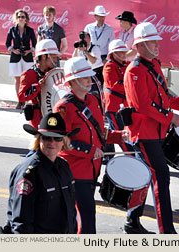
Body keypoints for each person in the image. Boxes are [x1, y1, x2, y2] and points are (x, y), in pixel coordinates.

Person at [123, 22, 179, 234]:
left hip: (155, 131)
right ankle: (166, 231)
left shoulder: (152, 65)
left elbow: (161, 96)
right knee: (161, 176)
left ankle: (132, 221)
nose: (157, 45)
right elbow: (143, 105)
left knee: (144, 177)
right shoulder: (134, 70)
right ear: (141, 44)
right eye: (153, 41)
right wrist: (170, 116)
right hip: (144, 133)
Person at [53, 57, 127, 234]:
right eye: (85, 77)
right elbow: (61, 142)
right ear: (72, 81)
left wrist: (119, 137)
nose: (90, 80)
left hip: (92, 170)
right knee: (86, 220)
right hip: (74, 172)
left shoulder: (93, 101)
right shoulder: (62, 108)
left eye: (89, 76)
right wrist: (90, 151)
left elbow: (98, 134)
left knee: (81, 219)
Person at [0, 112, 79, 234]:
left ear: (64, 141)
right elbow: (21, 223)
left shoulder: (64, 167)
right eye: (46, 137)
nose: (51, 142)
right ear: (39, 139)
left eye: (57, 138)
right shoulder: (29, 173)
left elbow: (70, 212)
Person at [103, 39, 134, 164]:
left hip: (124, 106)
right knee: (120, 133)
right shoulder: (109, 67)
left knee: (114, 131)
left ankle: (107, 155)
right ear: (113, 54)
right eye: (120, 52)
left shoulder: (126, 64)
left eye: (123, 52)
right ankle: (131, 157)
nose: (122, 54)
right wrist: (130, 85)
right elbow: (114, 85)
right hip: (113, 107)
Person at [18, 39, 60, 130]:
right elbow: (21, 96)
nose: (56, 60)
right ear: (44, 56)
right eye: (53, 57)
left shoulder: (54, 73)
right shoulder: (29, 74)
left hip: (53, 118)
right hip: (38, 121)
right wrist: (37, 86)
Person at [5, 9, 37, 110]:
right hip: (15, 57)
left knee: (28, 79)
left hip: (27, 58)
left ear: (26, 19)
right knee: (17, 79)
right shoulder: (12, 30)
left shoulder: (30, 30)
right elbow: (7, 44)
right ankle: (20, 100)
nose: (21, 19)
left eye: (23, 17)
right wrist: (13, 50)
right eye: (19, 17)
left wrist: (30, 51)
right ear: (16, 18)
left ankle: (26, 100)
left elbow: (35, 44)